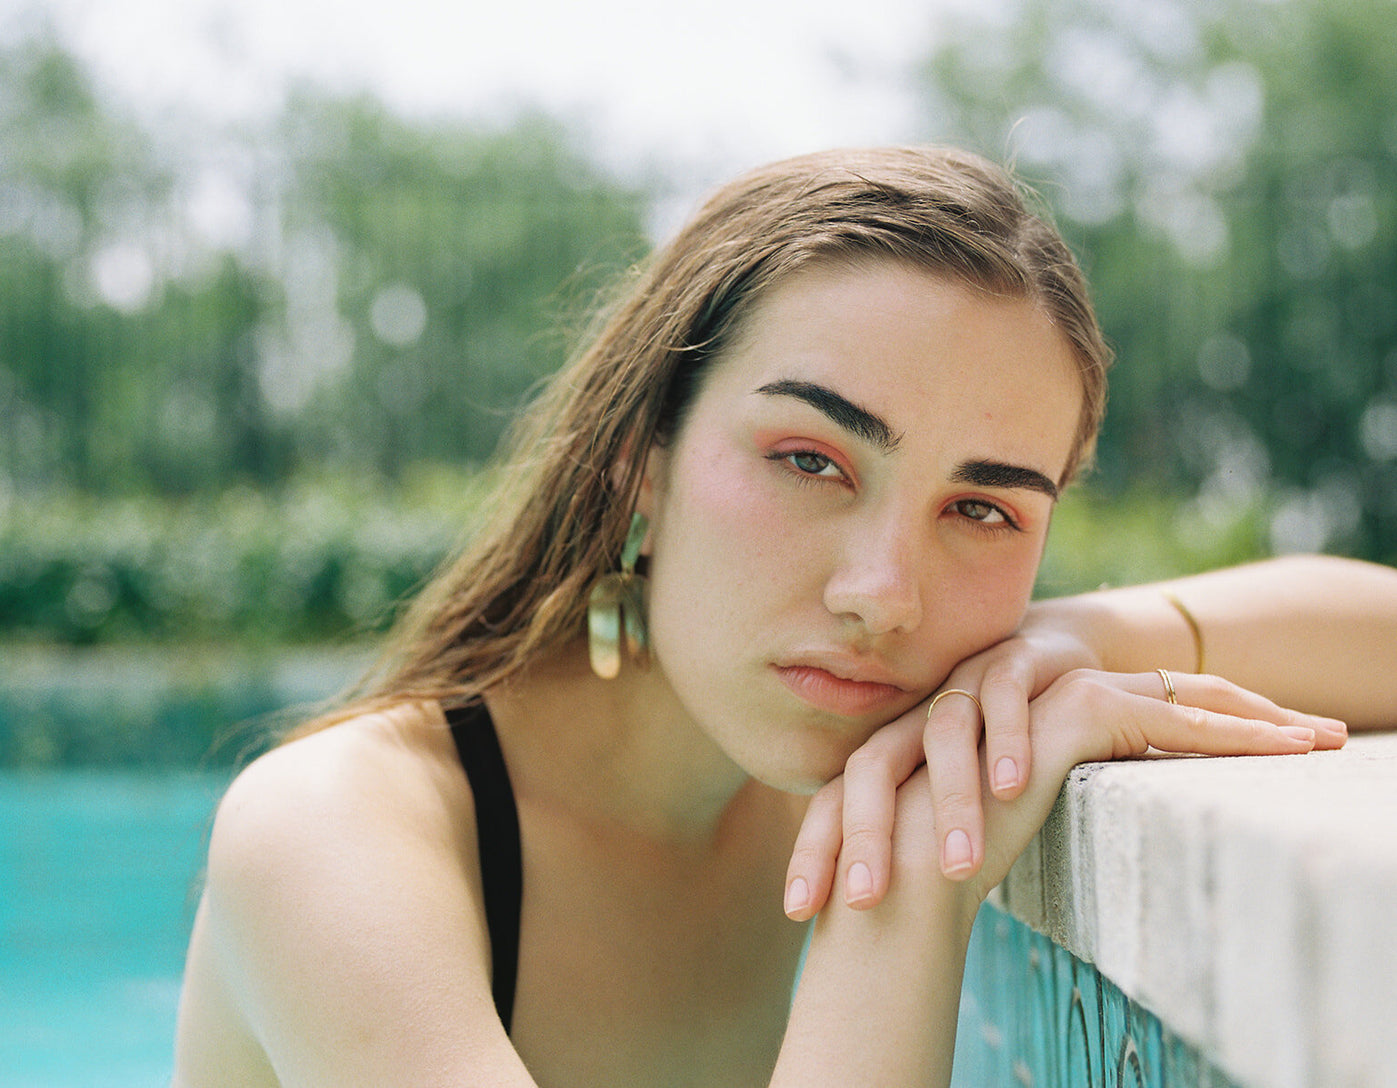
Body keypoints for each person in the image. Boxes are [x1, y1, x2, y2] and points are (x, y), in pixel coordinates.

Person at [171, 146, 1397, 1088]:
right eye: (810, 459)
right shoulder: (332, 834)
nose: (883, 593)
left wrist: (1070, 642)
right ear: (634, 463)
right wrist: (903, 895)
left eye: (981, 508)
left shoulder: (852, 716)